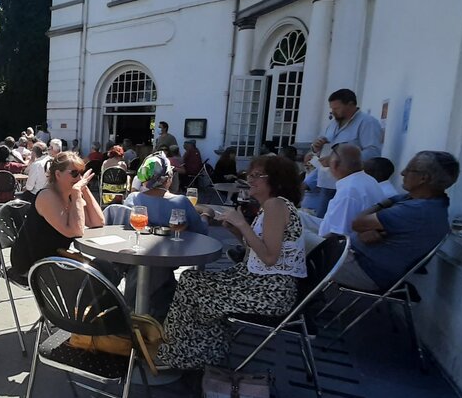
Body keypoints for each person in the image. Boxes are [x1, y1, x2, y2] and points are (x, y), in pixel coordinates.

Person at [158, 155, 307, 370]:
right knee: (192, 280)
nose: (250, 179)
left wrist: (242, 224)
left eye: (257, 175)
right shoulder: (272, 206)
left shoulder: (275, 205)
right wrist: (235, 230)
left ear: (276, 180)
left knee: (192, 285)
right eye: (250, 174)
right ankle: (198, 350)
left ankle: (181, 353)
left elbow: (269, 258)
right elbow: (256, 251)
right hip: (260, 283)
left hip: (269, 292)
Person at [335, 151, 459, 292]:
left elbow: (357, 223)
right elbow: (362, 225)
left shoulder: (417, 210)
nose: (402, 173)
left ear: (423, 178)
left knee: (312, 246)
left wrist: (370, 221)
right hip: (355, 258)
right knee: (312, 236)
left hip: (364, 270)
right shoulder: (423, 202)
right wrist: (365, 229)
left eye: (409, 169)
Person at [121, 154, 209, 319]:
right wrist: (206, 215)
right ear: (168, 178)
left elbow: (126, 228)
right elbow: (202, 233)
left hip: (136, 264)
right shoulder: (181, 202)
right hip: (168, 264)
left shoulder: (133, 199)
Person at [10, 151, 105, 279]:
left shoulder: (71, 194)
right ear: (58, 174)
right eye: (74, 173)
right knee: (102, 271)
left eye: (81, 173)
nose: (79, 178)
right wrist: (77, 192)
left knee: (106, 266)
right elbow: (75, 231)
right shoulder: (47, 196)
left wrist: (85, 188)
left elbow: (98, 222)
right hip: (34, 264)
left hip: (56, 257)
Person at [308, 88, 384, 217]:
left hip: (349, 185)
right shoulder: (333, 124)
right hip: (327, 182)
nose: (333, 112)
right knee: (322, 219)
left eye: (337, 108)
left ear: (350, 104)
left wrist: (338, 160)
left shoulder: (367, 122)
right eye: (332, 109)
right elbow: (324, 149)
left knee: (337, 220)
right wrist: (316, 147)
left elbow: (373, 153)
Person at [306, 143, 385, 242]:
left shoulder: (349, 191)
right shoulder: (367, 180)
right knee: (296, 216)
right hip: (334, 234)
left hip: (336, 245)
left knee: (294, 232)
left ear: (334, 164)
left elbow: (338, 235)